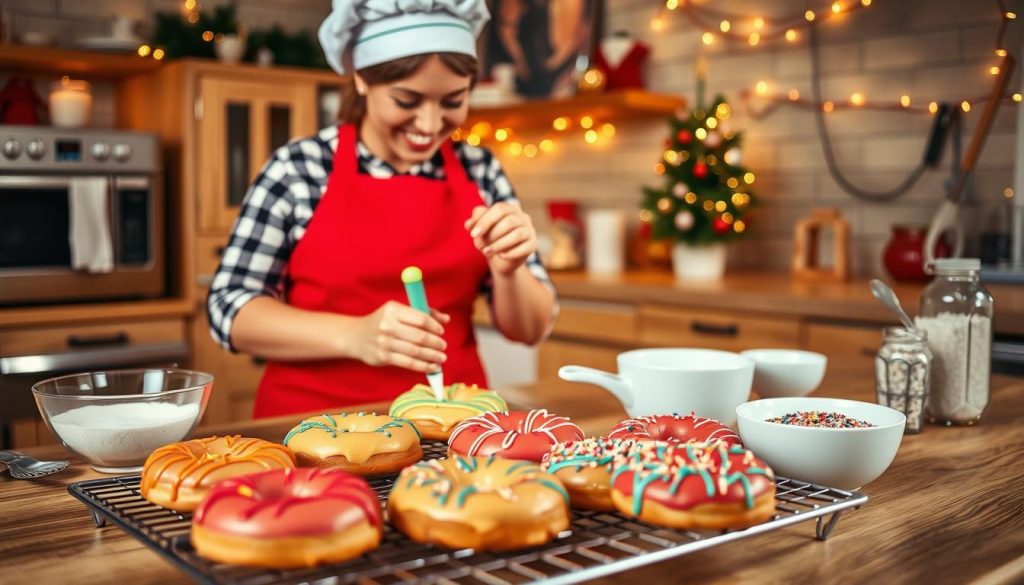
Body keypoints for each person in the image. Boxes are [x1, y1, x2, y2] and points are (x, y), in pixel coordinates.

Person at [206, 0, 557, 419]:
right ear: (361, 80)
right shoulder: (300, 168)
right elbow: (229, 307)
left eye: (452, 100)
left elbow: (529, 329)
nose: (429, 124)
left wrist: (510, 270)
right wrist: (354, 335)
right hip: (313, 431)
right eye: (407, 100)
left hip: (452, 428)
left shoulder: (480, 170)